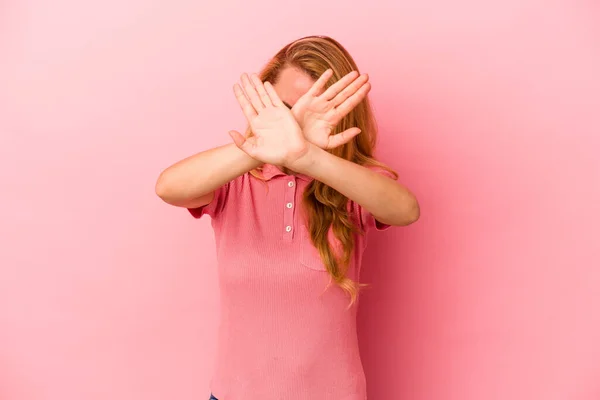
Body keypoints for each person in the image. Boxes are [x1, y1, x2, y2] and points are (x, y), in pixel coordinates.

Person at [155, 35, 420, 400]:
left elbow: (405, 210)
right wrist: (259, 149)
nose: (291, 126)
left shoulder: (351, 184)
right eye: (283, 110)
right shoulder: (235, 182)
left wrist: (306, 157)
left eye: (305, 113)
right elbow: (169, 187)